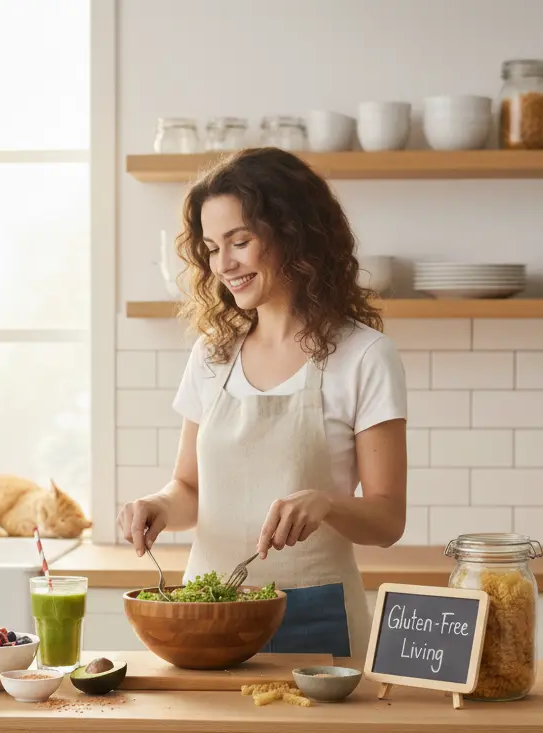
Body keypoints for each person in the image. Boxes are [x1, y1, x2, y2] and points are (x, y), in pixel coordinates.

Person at [117, 147, 408, 663]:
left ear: (295, 234)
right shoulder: (212, 353)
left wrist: (327, 503)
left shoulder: (364, 356)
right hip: (210, 609)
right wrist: (159, 505)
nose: (223, 264)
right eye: (211, 248)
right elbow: (189, 489)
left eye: (240, 242)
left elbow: (387, 520)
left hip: (316, 615)